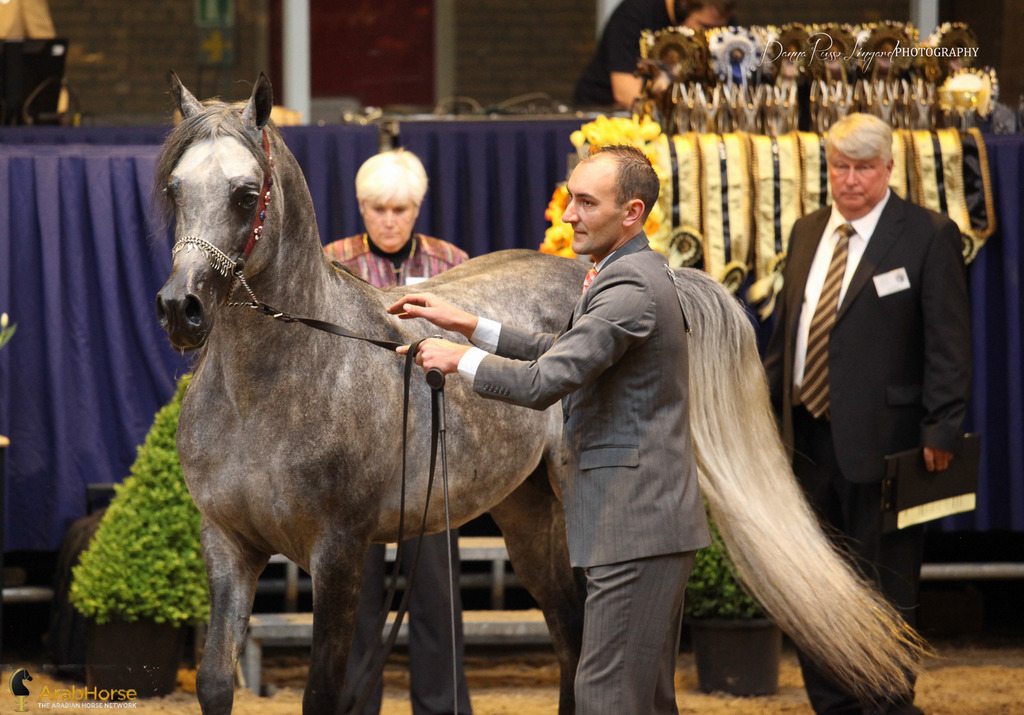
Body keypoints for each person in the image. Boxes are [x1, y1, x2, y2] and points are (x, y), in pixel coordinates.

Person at [388, 145, 710, 714]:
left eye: (586, 203)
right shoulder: (622, 274)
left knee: (604, 698)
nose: (568, 216)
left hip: (634, 525)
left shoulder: (629, 288)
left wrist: (456, 359)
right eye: (570, 199)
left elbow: (545, 382)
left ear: (632, 212)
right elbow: (560, 350)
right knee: (643, 700)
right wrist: (467, 325)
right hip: (645, 524)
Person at [763, 113, 971, 715]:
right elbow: (787, 339)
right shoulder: (806, 231)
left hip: (891, 441)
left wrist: (942, 428)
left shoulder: (927, 234)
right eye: (838, 167)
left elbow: (948, 344)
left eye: (862, 169)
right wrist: (765, 420)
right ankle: (833, 703)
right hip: (805, 437)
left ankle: (886, 702)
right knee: (813, 582)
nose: (849, 181)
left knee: (886, 582)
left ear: (887, 169)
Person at [323, 149, 473, 715]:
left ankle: (443, 707)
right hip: (353, 454)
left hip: (432, 446)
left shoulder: (453, 263)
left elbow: (472, 347)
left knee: (436, 591)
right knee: (351, 595)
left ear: (418, 208)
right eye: (379, 208)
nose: (390, 220)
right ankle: (356, 705)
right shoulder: (331, 262)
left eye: (401, 209)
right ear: (361, 206)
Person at [573, 0, 733, 109]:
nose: (710, 37)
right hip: (605, 112)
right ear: (682, 8)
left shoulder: (722, 26)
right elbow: (626, 95)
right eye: (704, 27)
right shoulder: (633, 15)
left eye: (718, 29)